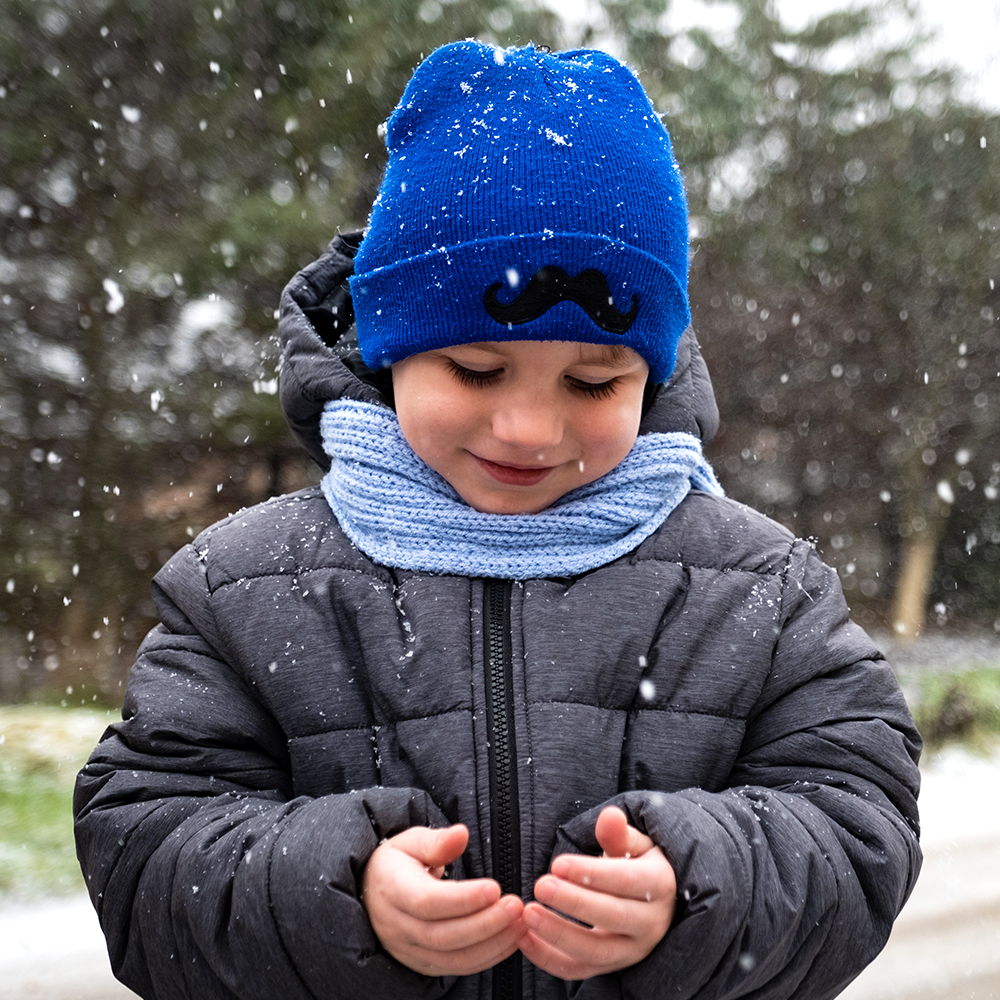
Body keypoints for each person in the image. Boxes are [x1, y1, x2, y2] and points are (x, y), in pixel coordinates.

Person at [74, 39, 921, 1000]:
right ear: (392, 352)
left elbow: (858, 823)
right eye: (475, 370)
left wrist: (699, 885)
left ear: (652, 372)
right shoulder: (243, 589)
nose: (527, 427)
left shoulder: (764, 592)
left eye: (594, 381)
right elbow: (143, 847)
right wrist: (334, 895)